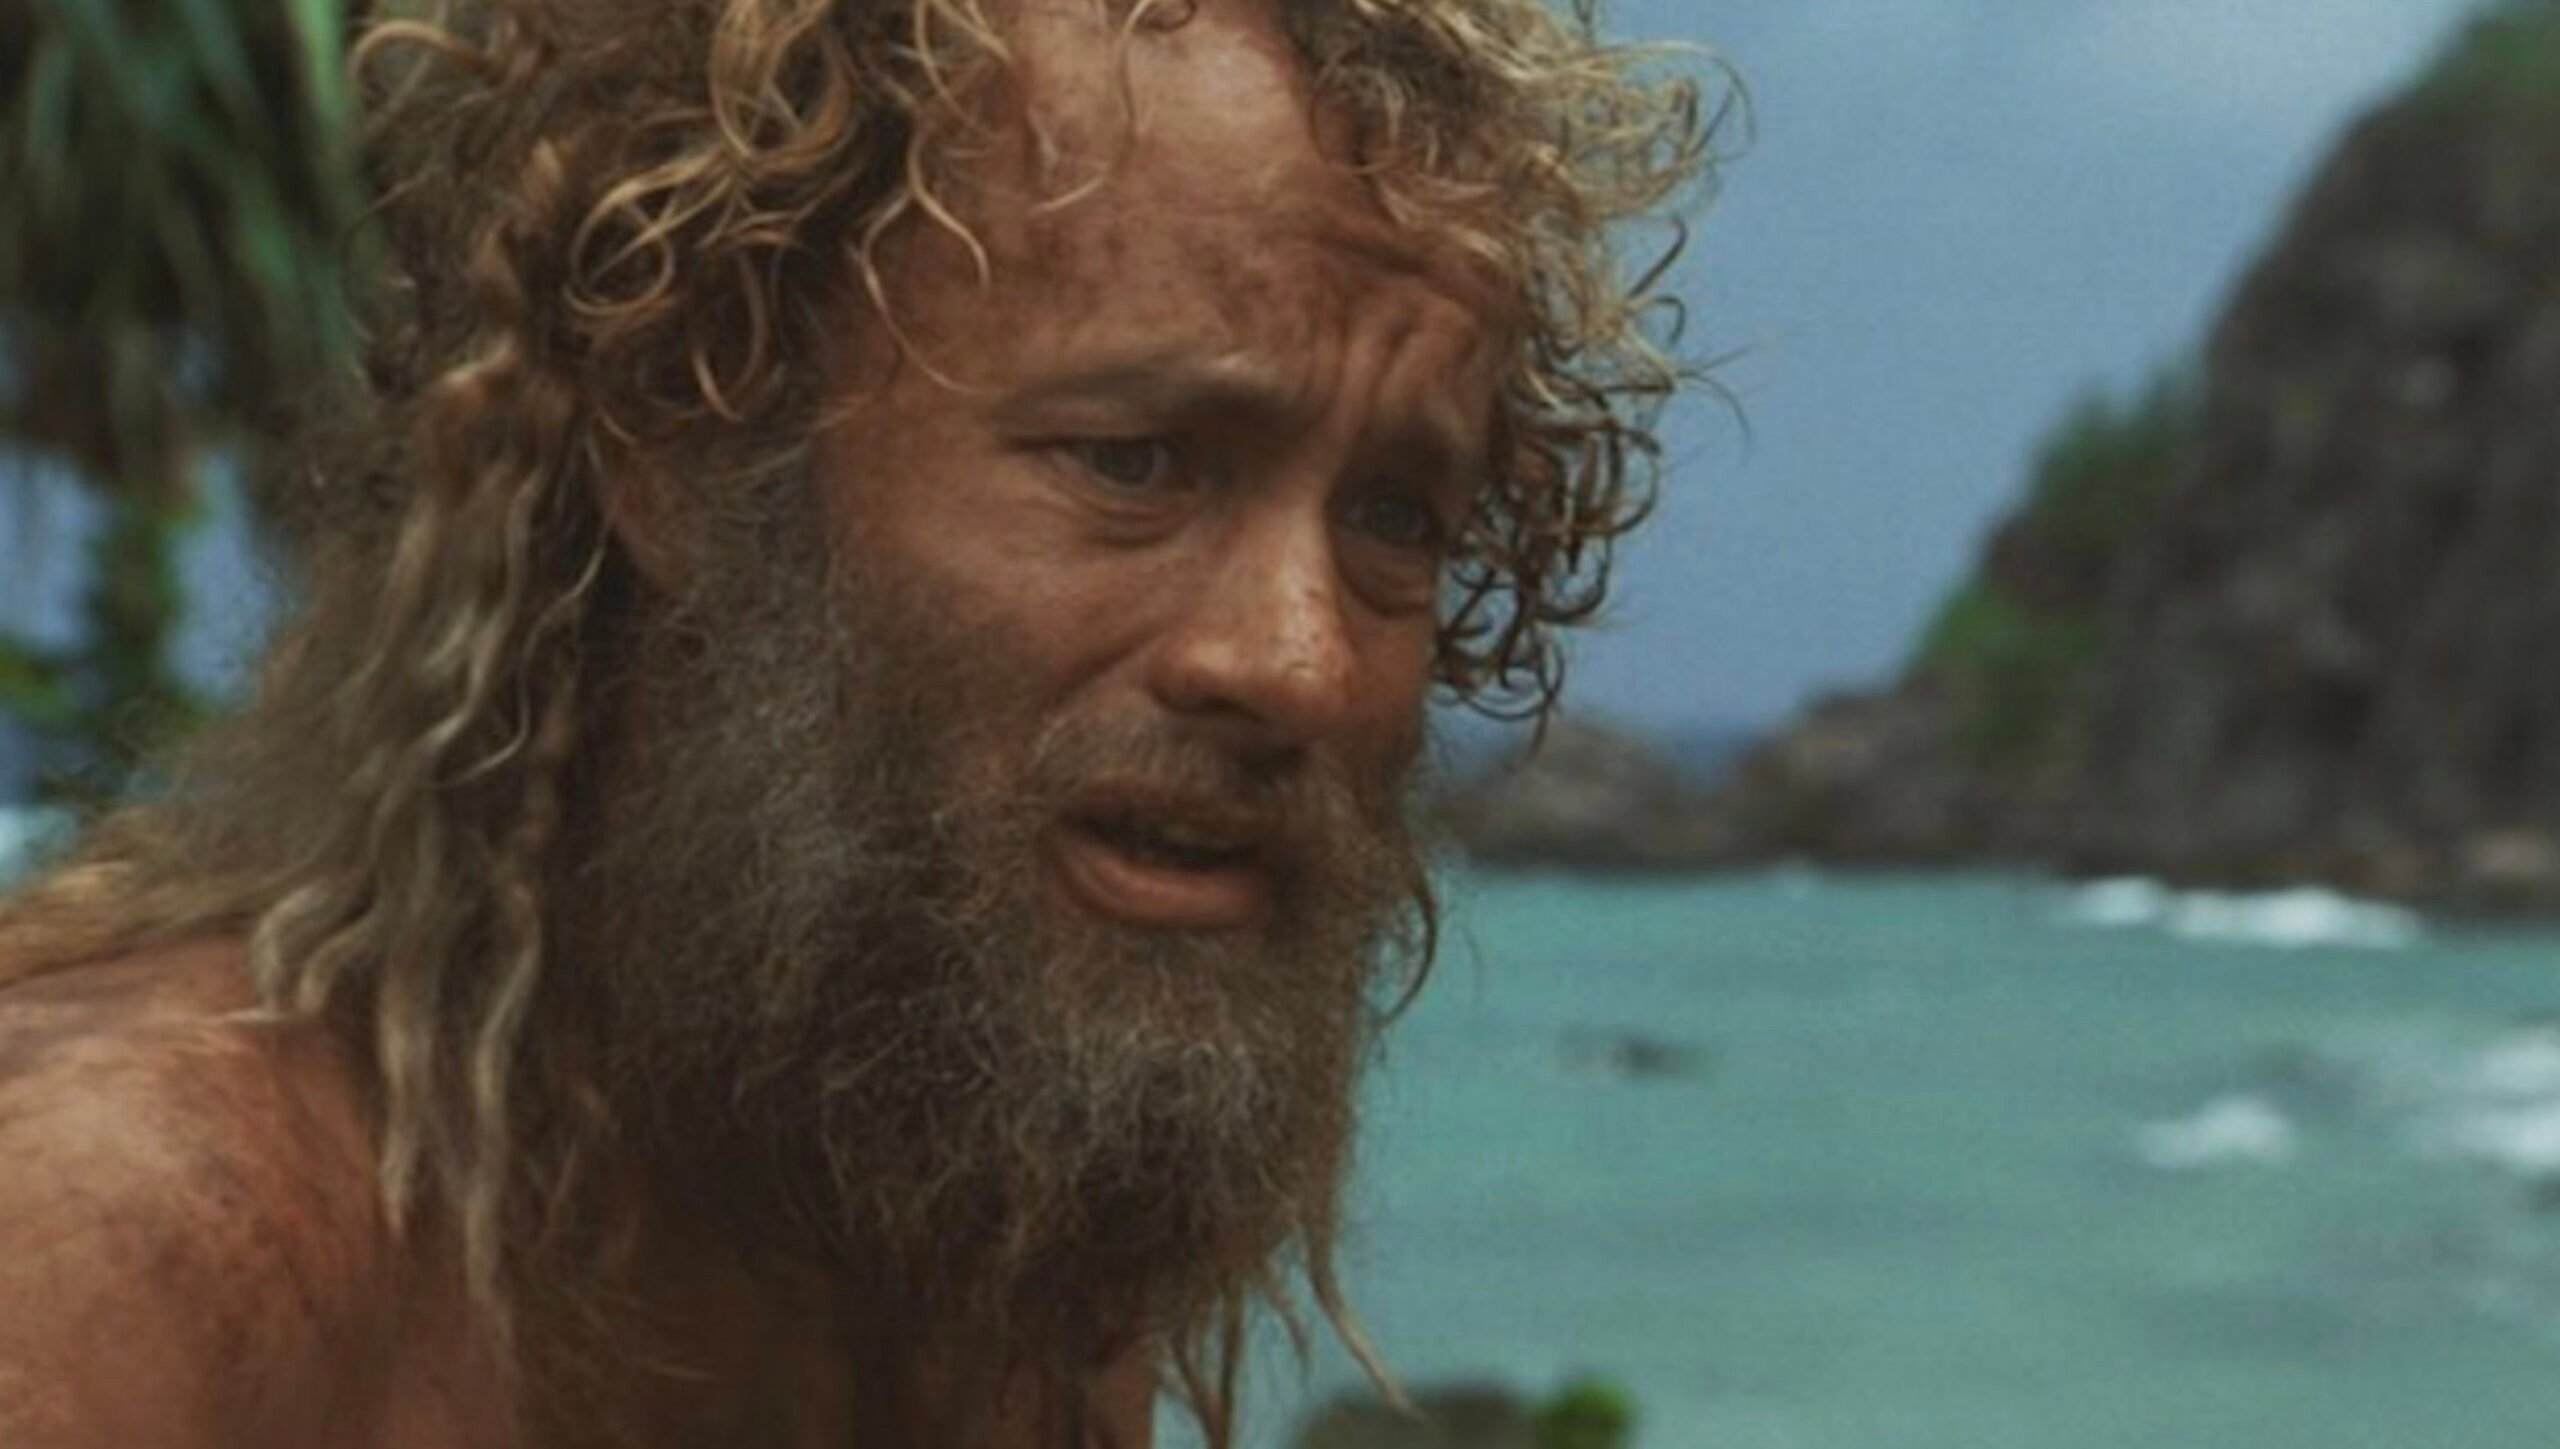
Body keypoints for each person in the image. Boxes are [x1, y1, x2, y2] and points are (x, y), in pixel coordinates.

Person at [0, 0, 1708, 1443]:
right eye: (1136, 461)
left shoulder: (986, 1249)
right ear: (681, 435)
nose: (1304, 661)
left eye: (1396, 517)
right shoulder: (133, 1258)